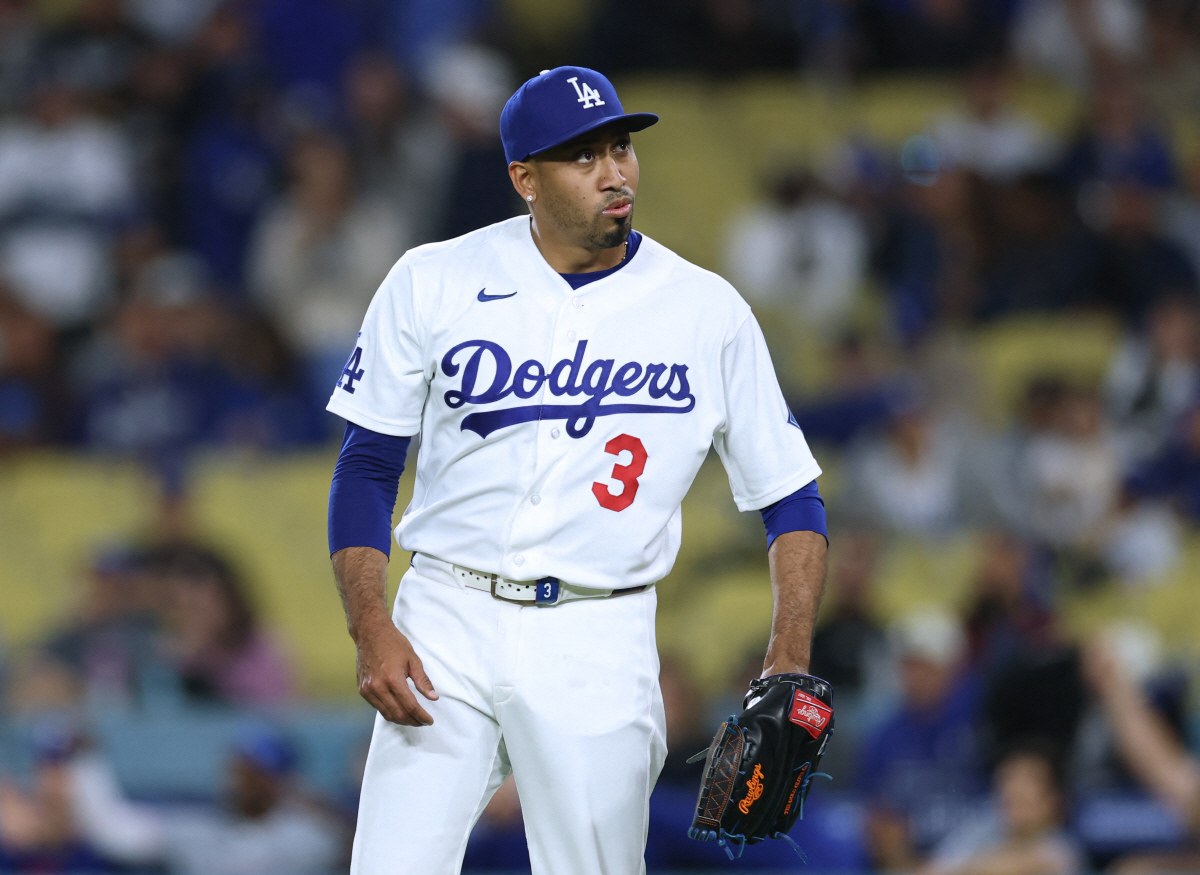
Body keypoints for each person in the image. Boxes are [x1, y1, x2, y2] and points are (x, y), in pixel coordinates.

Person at [325, 66, 830, 875]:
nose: (614, 171)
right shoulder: (431, 278)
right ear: (524, 177)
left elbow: (791, 497)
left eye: (621, 147)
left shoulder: (707, 311)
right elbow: (367, 465)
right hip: (445, 616)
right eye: (582, 155)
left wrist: (788, 653)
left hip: (598, 627)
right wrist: (370, 624)